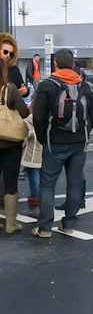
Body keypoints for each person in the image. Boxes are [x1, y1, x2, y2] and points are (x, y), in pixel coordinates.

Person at [32, 49, 93, 238]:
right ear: (73, 64)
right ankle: (68, 224)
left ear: (56, 64)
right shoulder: (85, 87)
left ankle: (45, 228)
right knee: (75, 183)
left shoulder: (47, 86)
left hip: (54, 142)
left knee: (47, 185)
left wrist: (43, 139)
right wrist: (84, 134)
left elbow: (38, 117)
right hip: (79, 143)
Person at [0, 58, 30, 233]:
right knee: (11, 182)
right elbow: (24, 112)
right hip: (10, 144)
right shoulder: (10, 89)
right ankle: (11, 224)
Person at [21, 102, 42, 208]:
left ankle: (35, 197)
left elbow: (24, 138)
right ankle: (42, 197)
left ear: (31, 109)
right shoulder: (45, 119)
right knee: (42, 177)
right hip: (44, 155)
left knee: (34, 178)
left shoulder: (28, 121)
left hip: (32, 155)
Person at [0, 32, 29, 98]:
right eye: (5, 52)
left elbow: (22, 87)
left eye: (11, 54)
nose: (8, 56)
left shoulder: (14, 70)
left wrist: (25, 91)